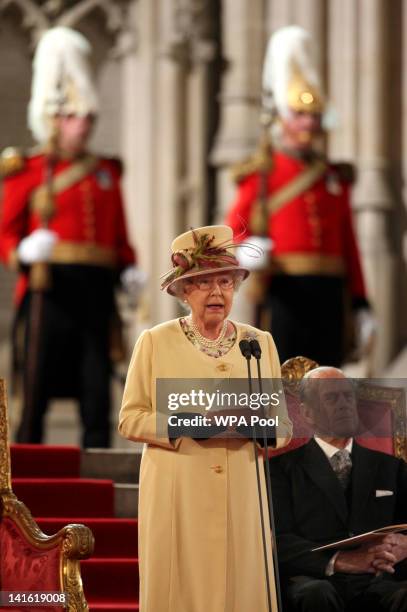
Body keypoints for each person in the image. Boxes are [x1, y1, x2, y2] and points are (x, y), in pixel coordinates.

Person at [118, 225, 293, 612]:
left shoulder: (258, 343)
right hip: (178, 488)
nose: (217, 293)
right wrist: (191, 423)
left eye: (226, 282)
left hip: (241, 491)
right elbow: (131, 419)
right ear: (183, 291)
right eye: (204, 283)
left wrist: (250, 422)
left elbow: (282, 428)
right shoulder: (155, 341)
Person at [0, 27, 144, 447]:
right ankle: (28, 472)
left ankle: (97, 467)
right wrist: (22, 250)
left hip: (96, 294)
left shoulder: (106, 173)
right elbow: (6, 233)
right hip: (49, 289)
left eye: (88, 117)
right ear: (54, 118)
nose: (84, 126)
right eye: (75, 117)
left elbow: (119, 233)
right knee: (36, 386)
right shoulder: (27, 171)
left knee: (96, 390)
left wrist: (129, 265)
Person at [226, 26, 373, 367]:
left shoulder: (333, 177)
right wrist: (247, 252)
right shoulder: (262, 172)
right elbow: (235, 227)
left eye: (314, 115)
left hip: (331, 295)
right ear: (280, 116)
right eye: (299, 114)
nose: (308, 123)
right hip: (284, 290)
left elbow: (348, 244)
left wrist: (361, 302)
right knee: (284, 381)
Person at [269, 366, 407, 612]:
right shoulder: (279, 469)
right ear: (307, 413)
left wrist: (403, 545)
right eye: (331, 398)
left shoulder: (392, 467)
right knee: (315, 594)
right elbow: (277, 539)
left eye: (348, 397)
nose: (344, 404)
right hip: (316, 579)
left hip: (381, 578)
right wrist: (341, 561)